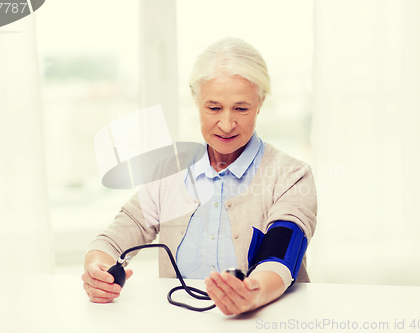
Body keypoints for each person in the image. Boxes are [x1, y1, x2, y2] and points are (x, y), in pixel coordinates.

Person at [82, 37, 317, 315]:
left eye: (241, 108)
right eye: (214, 107)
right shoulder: (168, 170)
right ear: (196, 101)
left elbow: (280, 256)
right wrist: (96, 270)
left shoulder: (291, 175)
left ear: (260, 102)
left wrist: (251, 295)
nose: (227, 124)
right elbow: (112, 240)